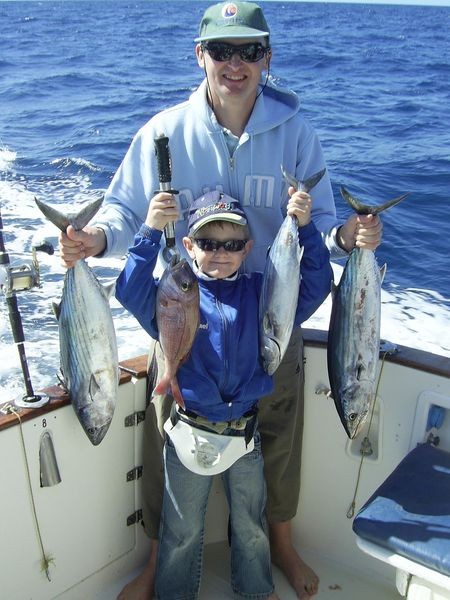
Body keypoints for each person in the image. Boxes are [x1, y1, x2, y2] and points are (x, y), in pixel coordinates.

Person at [59, 2, 382, 598]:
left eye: (249, 51)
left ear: (267, 58)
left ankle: (279, 544)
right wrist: (94, 240)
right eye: (222, 51)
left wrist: (349, 237)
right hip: (184, 310)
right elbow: (124, 209)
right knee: (165, 434)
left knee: (277, 437)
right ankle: (159, 560)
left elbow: (323, 225)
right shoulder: (164, 132)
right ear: (200, 55)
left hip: (272, 308)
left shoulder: (296, 133)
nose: (236, 64)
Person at [115, 187, 333, 600]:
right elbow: (128, 288)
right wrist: (149, 229)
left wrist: (306, 228)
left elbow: (316, 286)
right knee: (181, 530)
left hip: (246, 436)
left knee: (251, 525)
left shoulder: (261, 293)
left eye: (232, 244)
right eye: (208, 243)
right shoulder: (172, 297)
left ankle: (256, 591)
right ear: (188, 246)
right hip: (188, 434)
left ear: (248, 248)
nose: (220, 253)